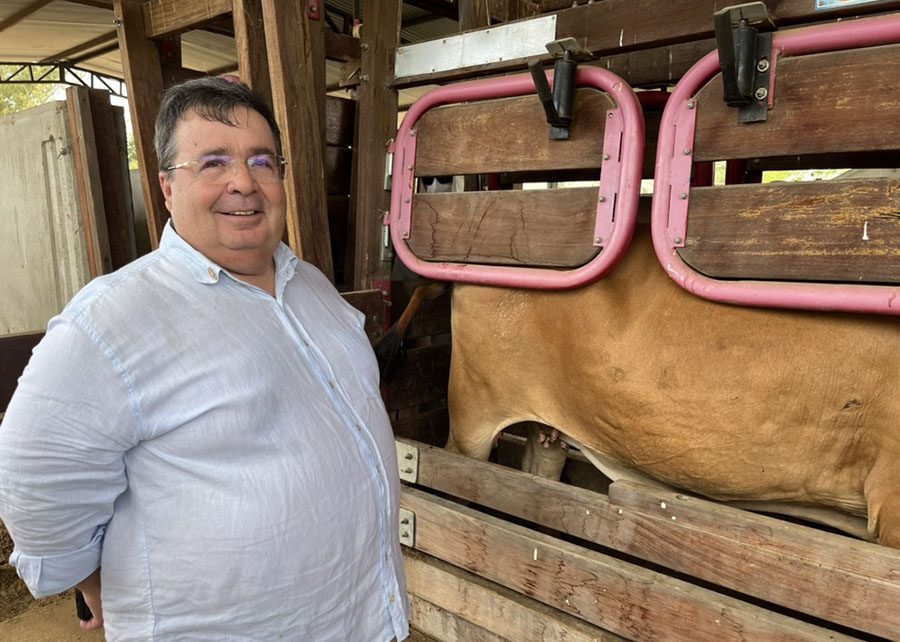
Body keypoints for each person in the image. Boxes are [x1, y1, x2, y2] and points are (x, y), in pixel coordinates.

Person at [0, 76, 409, 641]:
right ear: (166, 188)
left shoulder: (310, 286)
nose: (244, 182)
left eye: (262, 161)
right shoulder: (113, 321)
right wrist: (91, 580)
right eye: (213, 162)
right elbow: (34, 468)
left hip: (360, 617)